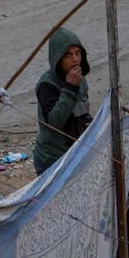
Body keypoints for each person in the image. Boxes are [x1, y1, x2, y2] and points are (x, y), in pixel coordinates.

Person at [34, 27, 92, 175]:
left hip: (75, 154)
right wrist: (70, 88)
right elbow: (55, 122)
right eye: (68, 55)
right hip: (52, 160)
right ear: (58, 58)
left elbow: (82, 111)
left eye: (78, 53)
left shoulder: (80, 79)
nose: (75, 59)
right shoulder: (47, 84)